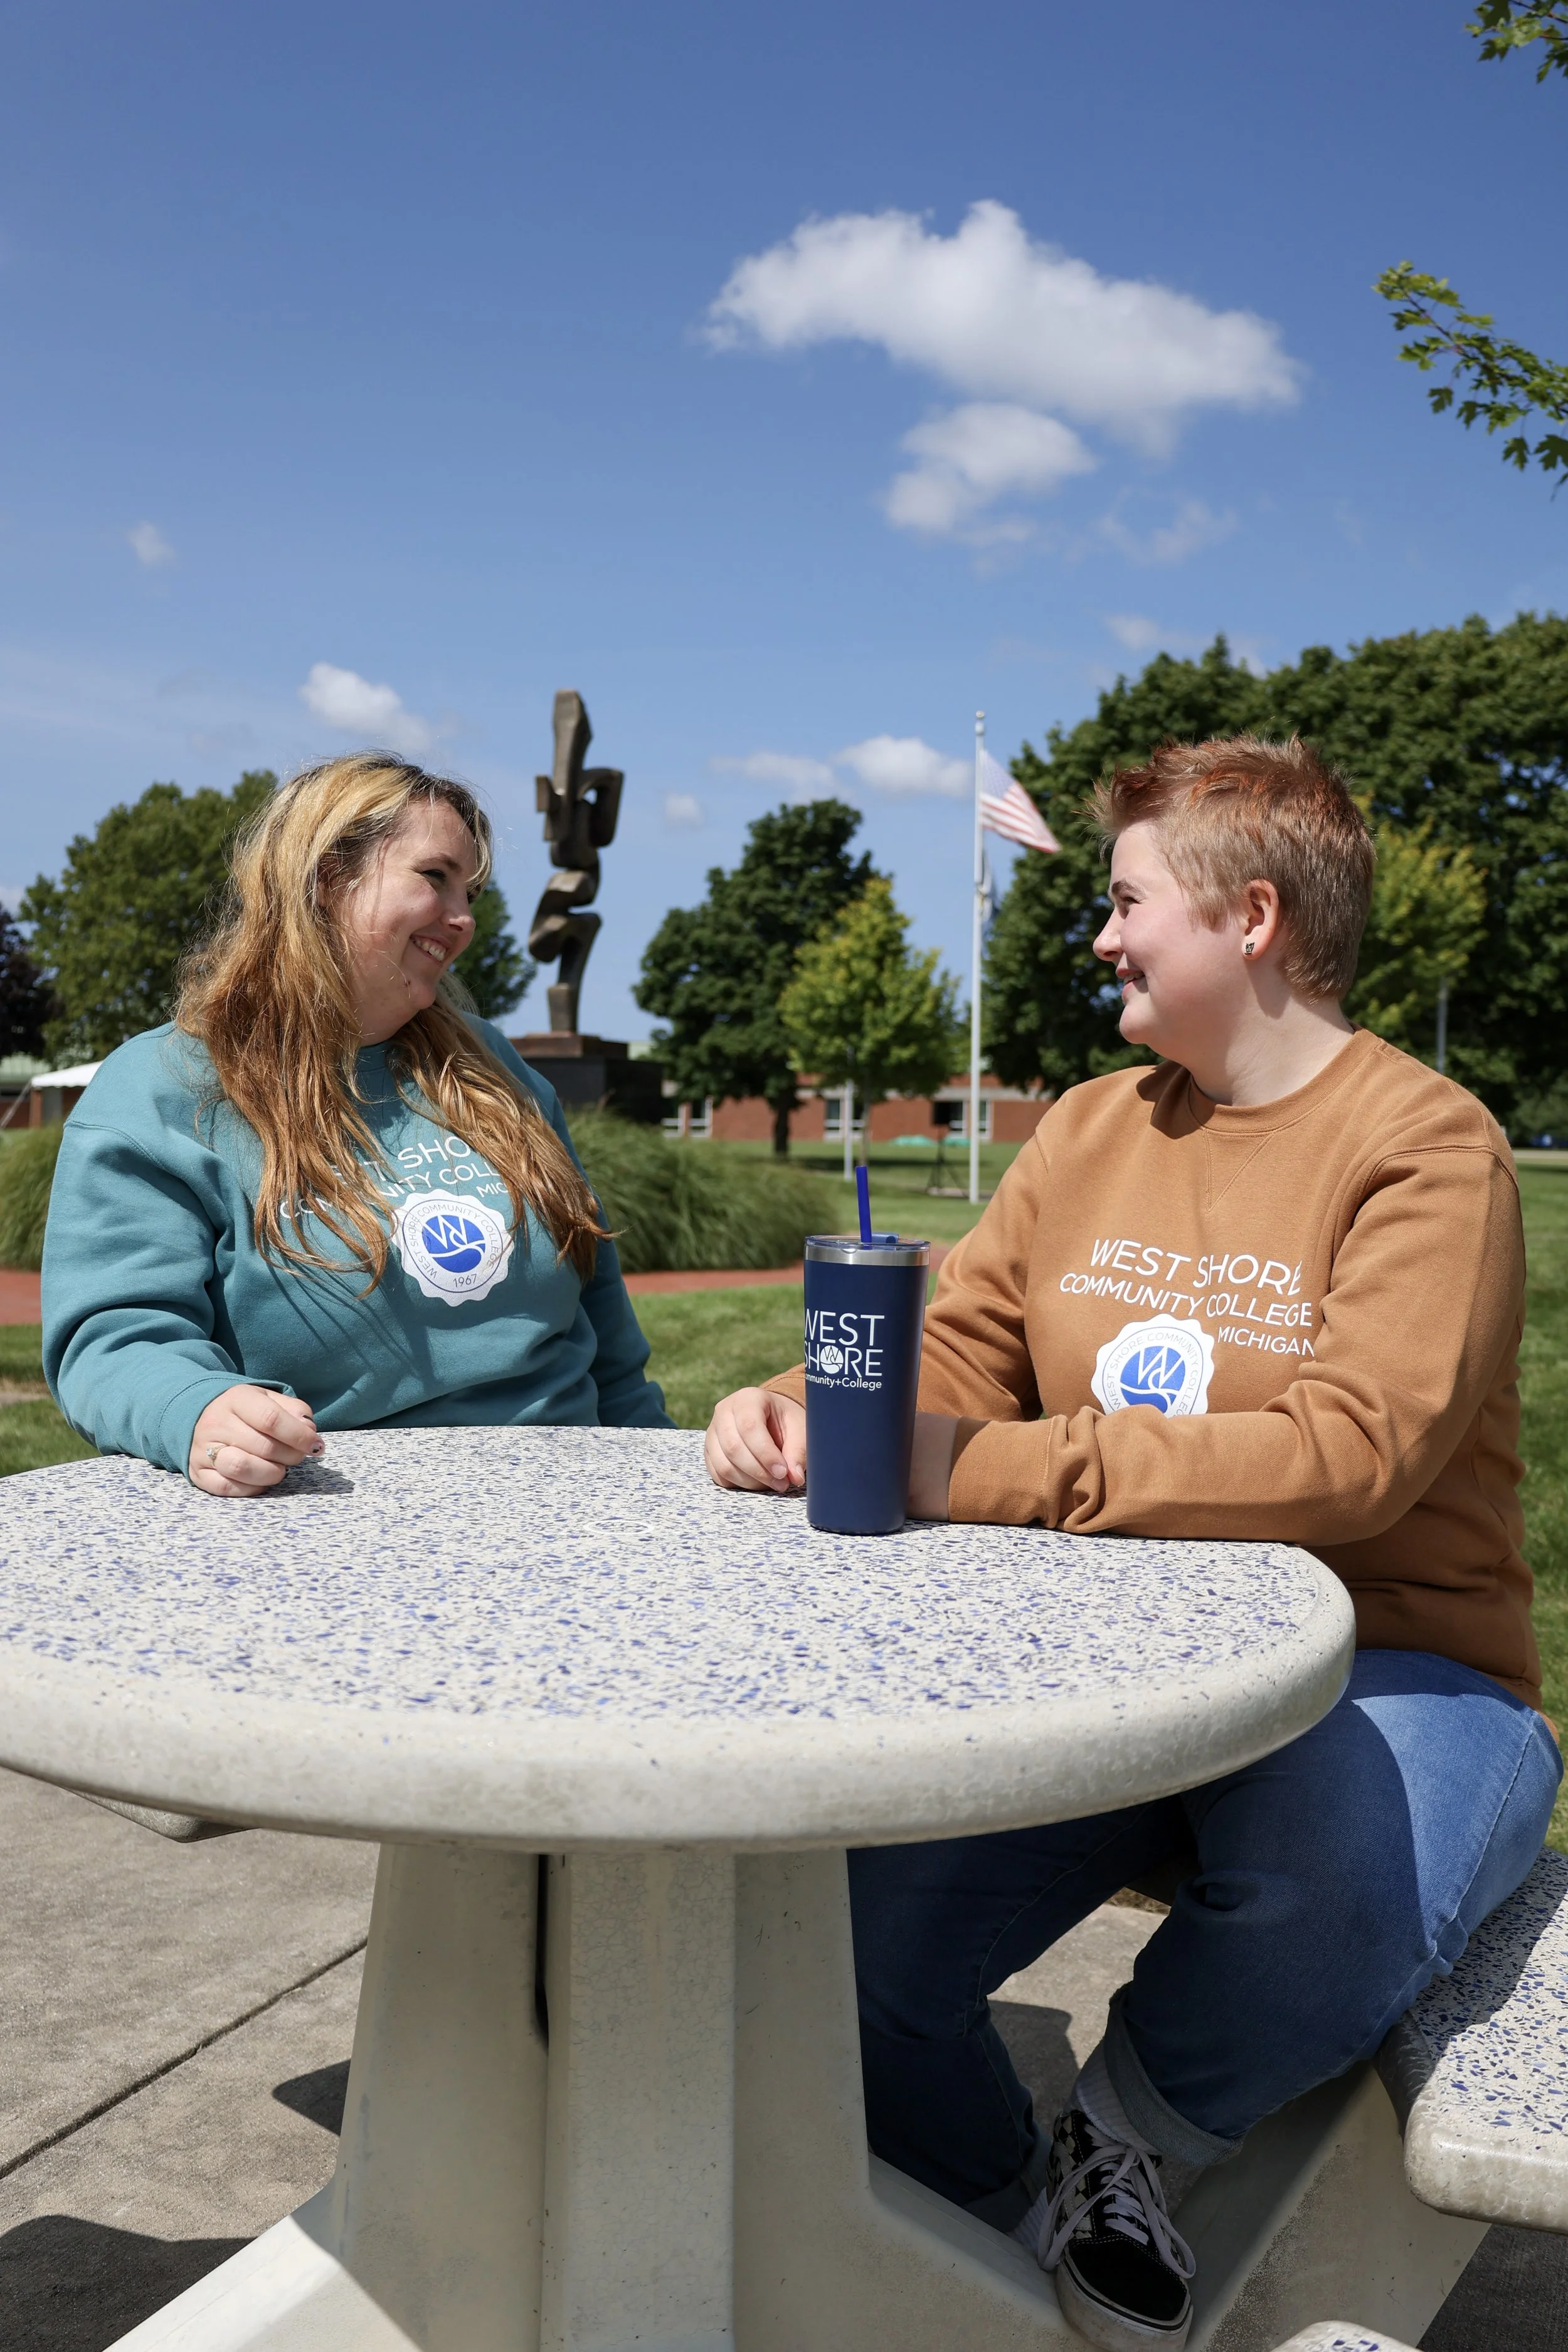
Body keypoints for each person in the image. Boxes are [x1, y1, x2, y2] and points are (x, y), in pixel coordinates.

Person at [704, 734, 1557, 2352]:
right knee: (846, 1947)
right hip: (1111, 1653)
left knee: (1339, 1884)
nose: (1099, 935)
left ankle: (1131, 2132)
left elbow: (1347, 1457)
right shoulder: (1093, 1127)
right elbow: (961, 1357)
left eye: (1125, 902)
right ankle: (1021, 2210)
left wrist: (974, 1467)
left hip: (1390, 1659)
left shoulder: (1428, 1144)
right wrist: (829, 1402)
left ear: (1250, 917)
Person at [43, 753, 669, 1488]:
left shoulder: (499, 1072)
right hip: (326, 1514)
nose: (464, 919)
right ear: (326, 877)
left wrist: (659, 1470)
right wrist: (196, 1407)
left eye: (469, 890)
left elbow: (609, 1345)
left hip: (576, 1503)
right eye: (435, 877)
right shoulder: (162, 1091)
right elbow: (112, 1340)